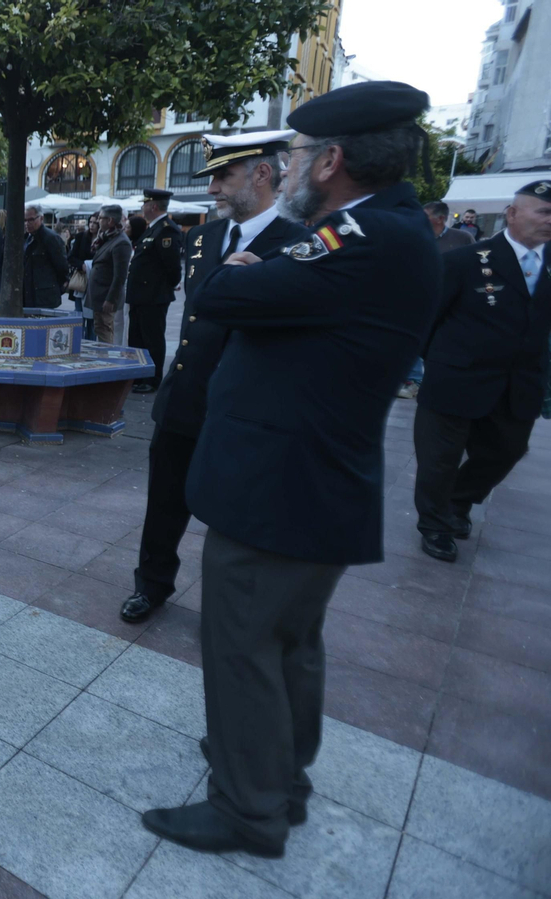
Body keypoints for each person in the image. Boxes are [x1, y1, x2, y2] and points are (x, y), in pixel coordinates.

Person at [140, 81, 443, 858]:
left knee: (243, 644)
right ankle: (279, 775)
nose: (293, 168)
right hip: (306, 484)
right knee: (289, 644)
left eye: (300, 156)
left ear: (333, 160)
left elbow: (230, 294)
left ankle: (248, 807)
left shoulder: (366, 238)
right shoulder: (384, 227)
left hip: (284, 486)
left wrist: (236, 273)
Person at [119, 130, 305, 625]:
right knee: (164, 503)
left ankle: (233, 608)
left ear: (261, 174)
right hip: (186, 394)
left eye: (223, 176)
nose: (213, 188)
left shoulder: (300, 243)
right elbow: (199, 312)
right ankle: (152, 585)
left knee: (237, 516)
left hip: (245, 406)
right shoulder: (200, 238)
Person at [411, 179, 551, 562]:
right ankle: (436, 525)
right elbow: (426, 318)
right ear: (512, 214)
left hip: (518, 384)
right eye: (544, 210)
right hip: (456, 379)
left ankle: (458, 501)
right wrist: (441, 361)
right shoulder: (467, 260)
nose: (550, 220)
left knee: (506, 452)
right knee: (439, 459)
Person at [399, 201, 478, 399]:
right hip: (420, 298)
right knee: (417, 336)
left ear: (440, 219)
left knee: (441, 339)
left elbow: (477, 264)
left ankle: (435, 379)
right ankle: (414, 381)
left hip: (453, 301)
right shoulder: (416, 238)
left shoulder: (462, 238)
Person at [126, 188, 184, 393]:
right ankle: (139, 376)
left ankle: (152, 379)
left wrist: (163, 287)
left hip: (153, 296)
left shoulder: (166, 230)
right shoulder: (153, 229)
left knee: (152, 339)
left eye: (144, 204)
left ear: (153, 206)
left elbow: (173, 268)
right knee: (138, 338)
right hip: (141, 296)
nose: (142, 207)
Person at [86, 205, 131, 344]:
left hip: (106, 297)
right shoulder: (107, 238)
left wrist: (110, 299)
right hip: (99, 295)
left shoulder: (121, 242)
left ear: (110, 220)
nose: (98, 221)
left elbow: (120, 276)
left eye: (100, 218)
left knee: (105, 330)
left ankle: (106, 357)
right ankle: (102, 355)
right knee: (100, 329)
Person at [21, 204, 69, 309]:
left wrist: (55, 287)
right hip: (28, 293)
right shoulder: (26, 237)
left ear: (41, 218)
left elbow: (62, 267)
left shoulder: (50, 238)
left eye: (31, 220)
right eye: (25, 220)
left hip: (44, 295)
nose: (27, 223)